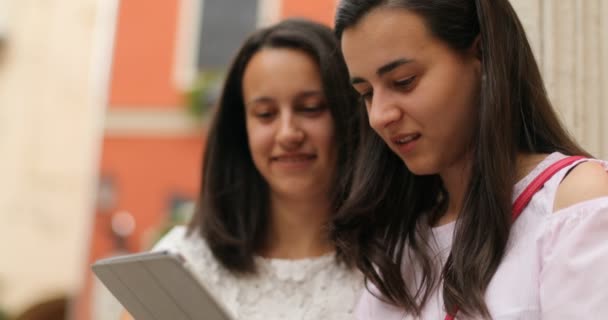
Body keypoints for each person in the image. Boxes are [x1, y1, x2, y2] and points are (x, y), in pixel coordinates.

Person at [331, 0, 608, 319]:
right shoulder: (399, 244)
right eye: (366, 93)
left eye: (404, 81)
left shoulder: (573, 205)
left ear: (482, 55)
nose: (379, 116)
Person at [131, 18, 363, 320]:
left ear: (347, 114)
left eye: (310, 108)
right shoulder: (181, 262)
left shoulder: (399, 262)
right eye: (265, 114)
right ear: (241, 129)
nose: (288, 134)